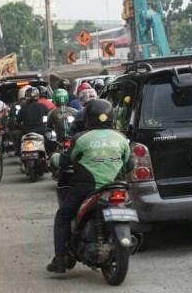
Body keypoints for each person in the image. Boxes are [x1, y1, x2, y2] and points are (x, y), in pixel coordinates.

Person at [46, 99, 132, 274]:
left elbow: (64, 161)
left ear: (88, 119)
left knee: (62, 217)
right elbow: (128, 166)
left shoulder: (81, 138)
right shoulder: (121, 138)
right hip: (116, 187)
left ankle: (60, 261)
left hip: (87, 188)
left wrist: (53, 157)